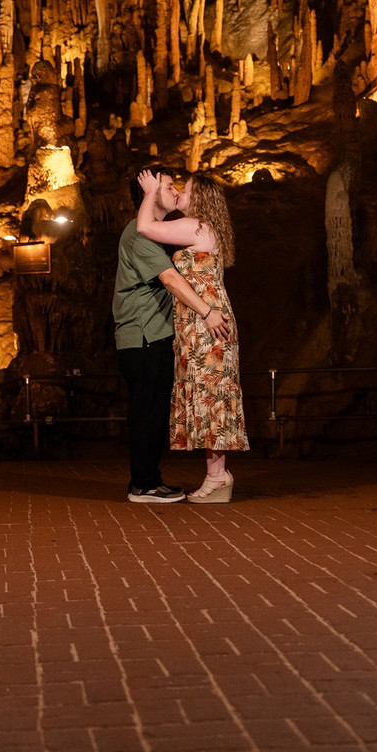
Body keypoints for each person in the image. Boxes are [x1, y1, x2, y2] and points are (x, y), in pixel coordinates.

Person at [113, 166, 231, 503]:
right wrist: (207, 312)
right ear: (149, 193)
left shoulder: (165, 231)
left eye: (180, 186)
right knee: (148, 410)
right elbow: (171, 279)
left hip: (156, 333)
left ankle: (157, 479)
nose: (176, 190)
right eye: (168, 185)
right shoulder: (140, 233)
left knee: (158, 407)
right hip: (143, 334)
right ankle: (145, 484)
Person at [136, 169, 248, 503]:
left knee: (210, 395)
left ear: (199, 198)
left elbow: (144, 228)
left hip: (206, 320)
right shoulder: (203, 228)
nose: (180, 192)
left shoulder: (195, 226)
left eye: (187, 189)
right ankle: (217, 475)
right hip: (205, 318)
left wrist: (150, 192)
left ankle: (218, 477)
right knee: (208, 394)